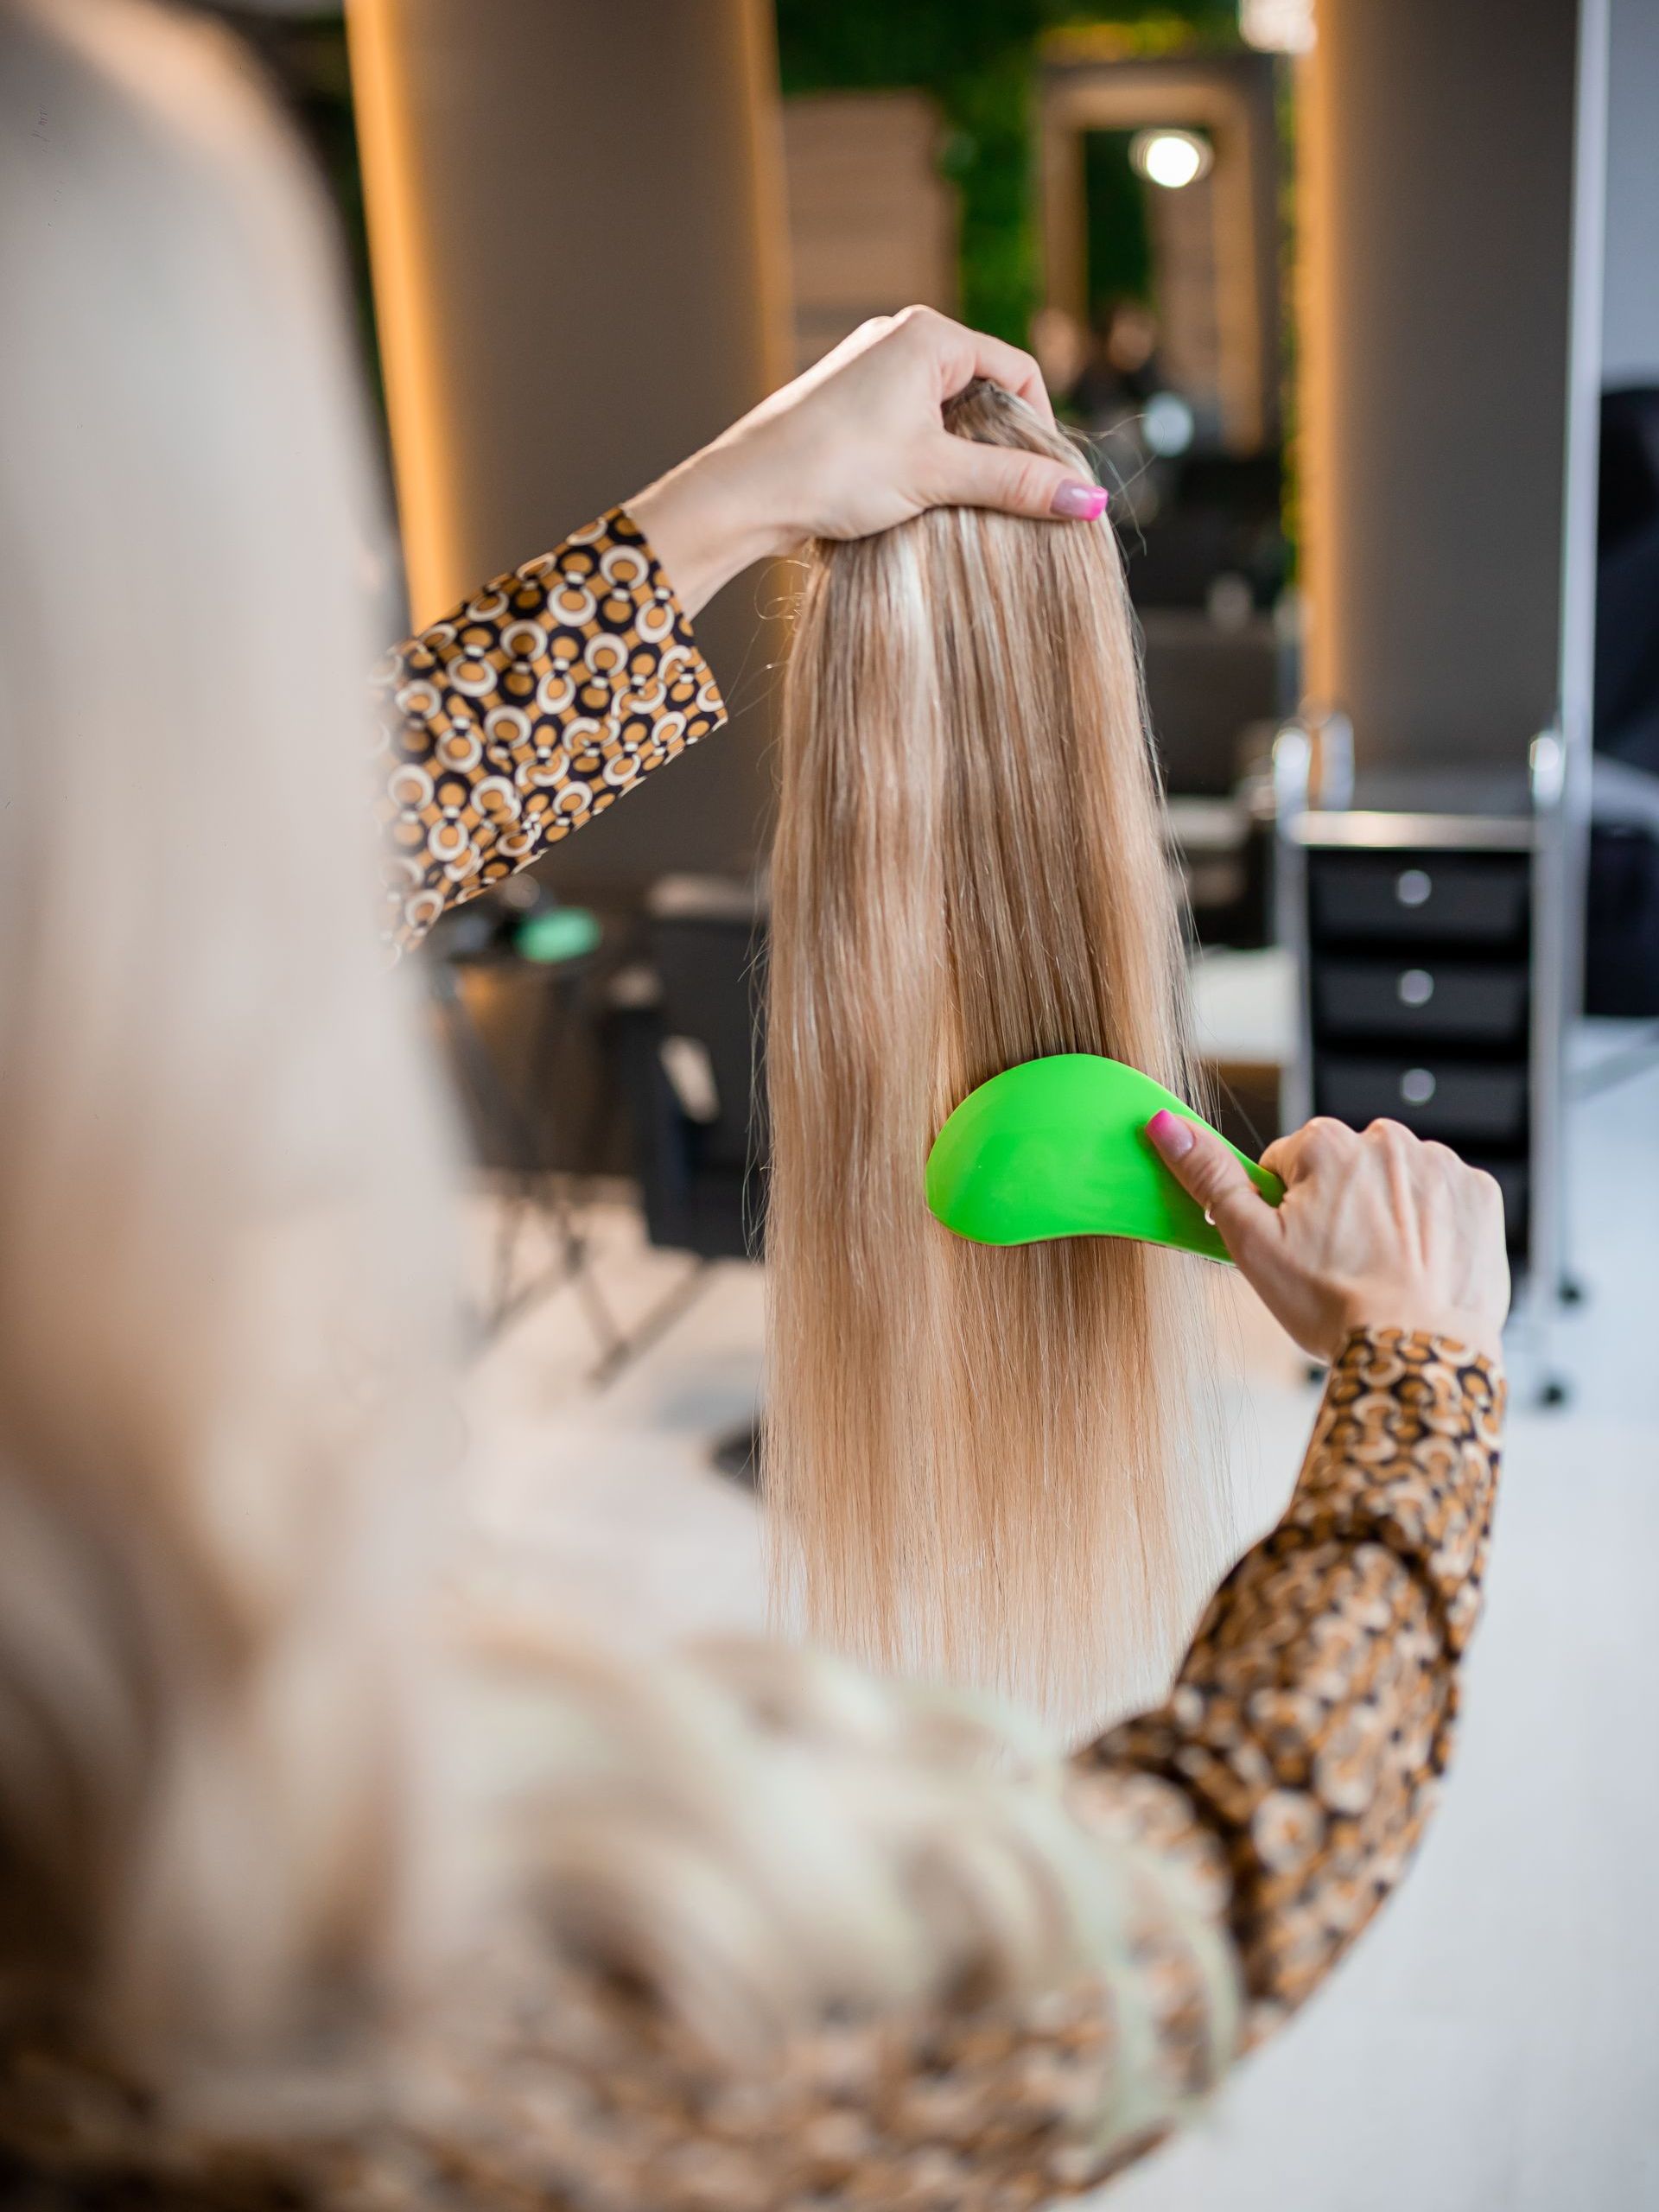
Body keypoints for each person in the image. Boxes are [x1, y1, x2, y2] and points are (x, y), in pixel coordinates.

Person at [0, 2, 1509, 2204]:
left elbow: (270, 857)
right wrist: (1420, 1404)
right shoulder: (210, 1940)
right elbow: (1134, 1953)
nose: (343, 598)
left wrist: (725, 504)